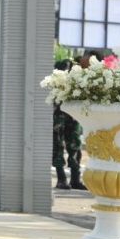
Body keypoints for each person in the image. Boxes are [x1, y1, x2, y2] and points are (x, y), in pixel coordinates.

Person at [51, 59, 85, 190]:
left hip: (74, 115)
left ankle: (75, 179)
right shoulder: (55, 81)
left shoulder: (79, 79)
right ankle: (61, 179)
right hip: (59, 114)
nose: (67, 70)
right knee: (58, 146)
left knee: (75, 145)